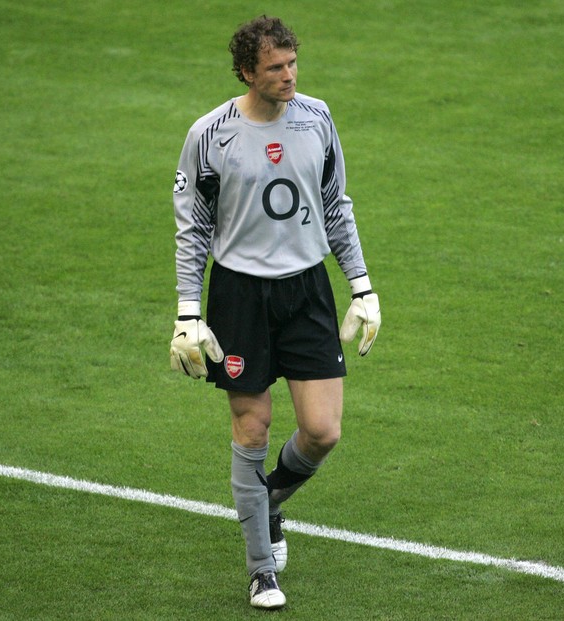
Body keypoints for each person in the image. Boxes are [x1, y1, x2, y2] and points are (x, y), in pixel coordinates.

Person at [168, 15, 381, 610]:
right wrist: (189, 311)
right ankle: (262, 569)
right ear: (246, 72)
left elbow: (336, 203)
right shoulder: (210, 134)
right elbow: (193, 228)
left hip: (307, 289)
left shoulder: (318, 117)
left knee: (322, 431)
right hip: (240, 294)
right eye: (275, 68)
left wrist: (362, 287)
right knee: (253, 427)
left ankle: (265, 505)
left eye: (292, 64)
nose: (288, 76)